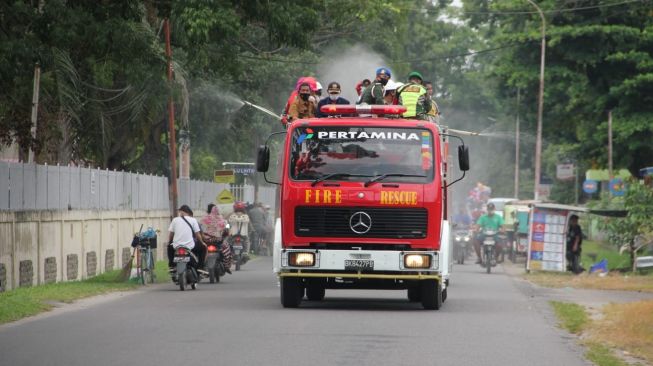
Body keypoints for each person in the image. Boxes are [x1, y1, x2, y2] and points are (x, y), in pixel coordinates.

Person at [167, 205, 208, 274]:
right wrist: (202, 242)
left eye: (180, 211)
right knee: (203, 247)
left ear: (181, 212)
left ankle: (171, 266)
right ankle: (200, 267)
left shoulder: (175, 220)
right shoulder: (193, 220)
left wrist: (169, 242)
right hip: (190, 246)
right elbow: (197, 234)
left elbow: (171, 234)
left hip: (176, 246)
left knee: (169, 247)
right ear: (189, 212)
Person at [200, 203, 232, 273]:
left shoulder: (203, 219)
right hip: (218, 240)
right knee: (227, 250)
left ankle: (200, 266)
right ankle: (227, 266)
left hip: (206, 240)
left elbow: (200, 228)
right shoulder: (223, 220)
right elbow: (227, 230)